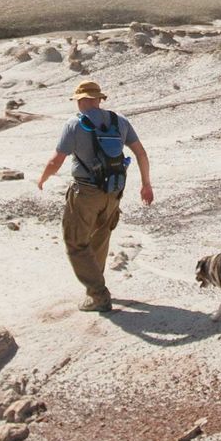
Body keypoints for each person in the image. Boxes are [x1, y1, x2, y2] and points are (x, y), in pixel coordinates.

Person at [34, 79, 153, 312]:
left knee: (75, 242)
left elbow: (56, 160)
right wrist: (146, 184)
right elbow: (140, 153)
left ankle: (98, 294)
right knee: (100, 237)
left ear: (81, 101)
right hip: (114, 190)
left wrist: (43, 178)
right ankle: (95, 288)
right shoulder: (119, 121)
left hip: (86, 192)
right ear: (98, 99)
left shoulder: (74, 124)